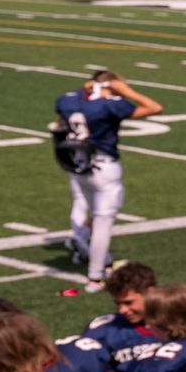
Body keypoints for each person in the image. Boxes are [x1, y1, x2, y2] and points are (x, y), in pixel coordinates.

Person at [53, 69, 163, 295]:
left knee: (89, 212)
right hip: (104, 167)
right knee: (103, 222)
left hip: (79, 165)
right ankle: (95, 276)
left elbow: (59, 125)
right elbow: (155, 108)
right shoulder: (108, 104)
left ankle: (96, 255)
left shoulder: (67, 100)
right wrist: (126, 91)